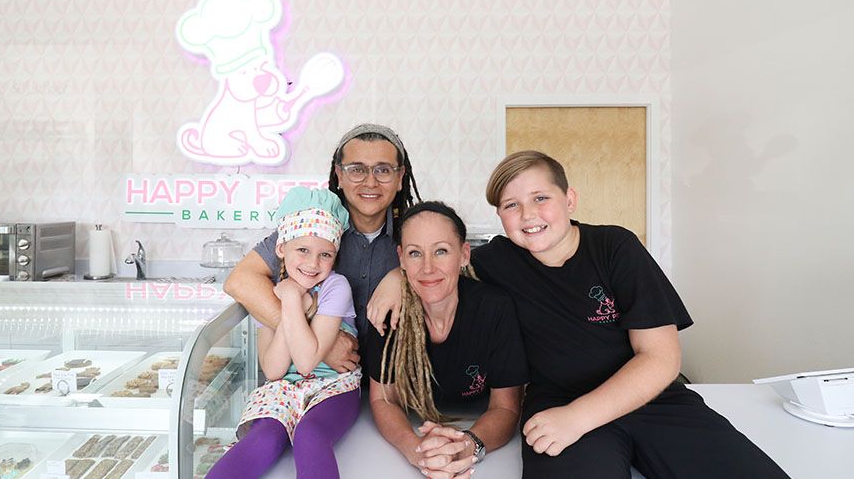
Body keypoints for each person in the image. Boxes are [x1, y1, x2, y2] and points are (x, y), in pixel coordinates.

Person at [470, 150, 788, 478]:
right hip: (557, 402)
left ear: (569, 199)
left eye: (540, 198)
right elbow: (428, 269)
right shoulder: (493, 262)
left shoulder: (615, 247)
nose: (528, 215)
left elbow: (661, 357)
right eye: (511, 205)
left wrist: (577, 418)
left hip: (652, 399)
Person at [225, 123, 421, 372]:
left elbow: (454, 275)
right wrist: (319, 345)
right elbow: (240, 281)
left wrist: (400, 276)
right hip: (316, 383)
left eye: (383, 170)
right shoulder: (311, 226)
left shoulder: (416, 234)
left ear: (400, 177)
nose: (370, 182)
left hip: (390, 387)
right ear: (339, 175)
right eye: (357, 170)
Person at [365, 201, 527, 479]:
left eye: (441, 251)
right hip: (416, 432)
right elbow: (384, 400)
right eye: (416, 253)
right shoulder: (390, 311)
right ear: (401, 258)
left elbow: (506, 406)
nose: (428, 268)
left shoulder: (494, 309)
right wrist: (416, 450)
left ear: (464, 254)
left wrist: (466, 447)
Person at [207, 187, 360, 479]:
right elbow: (275, 369)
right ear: (281, 248)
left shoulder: (335, 287)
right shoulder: (274, 291)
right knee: (263, 437)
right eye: (302, 250)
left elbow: (306, 362)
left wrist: (290, 300)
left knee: (310, 435)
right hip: (284, 390)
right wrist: (289, 301)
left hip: (334, 388)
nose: (313, 263)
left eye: (325, 254)